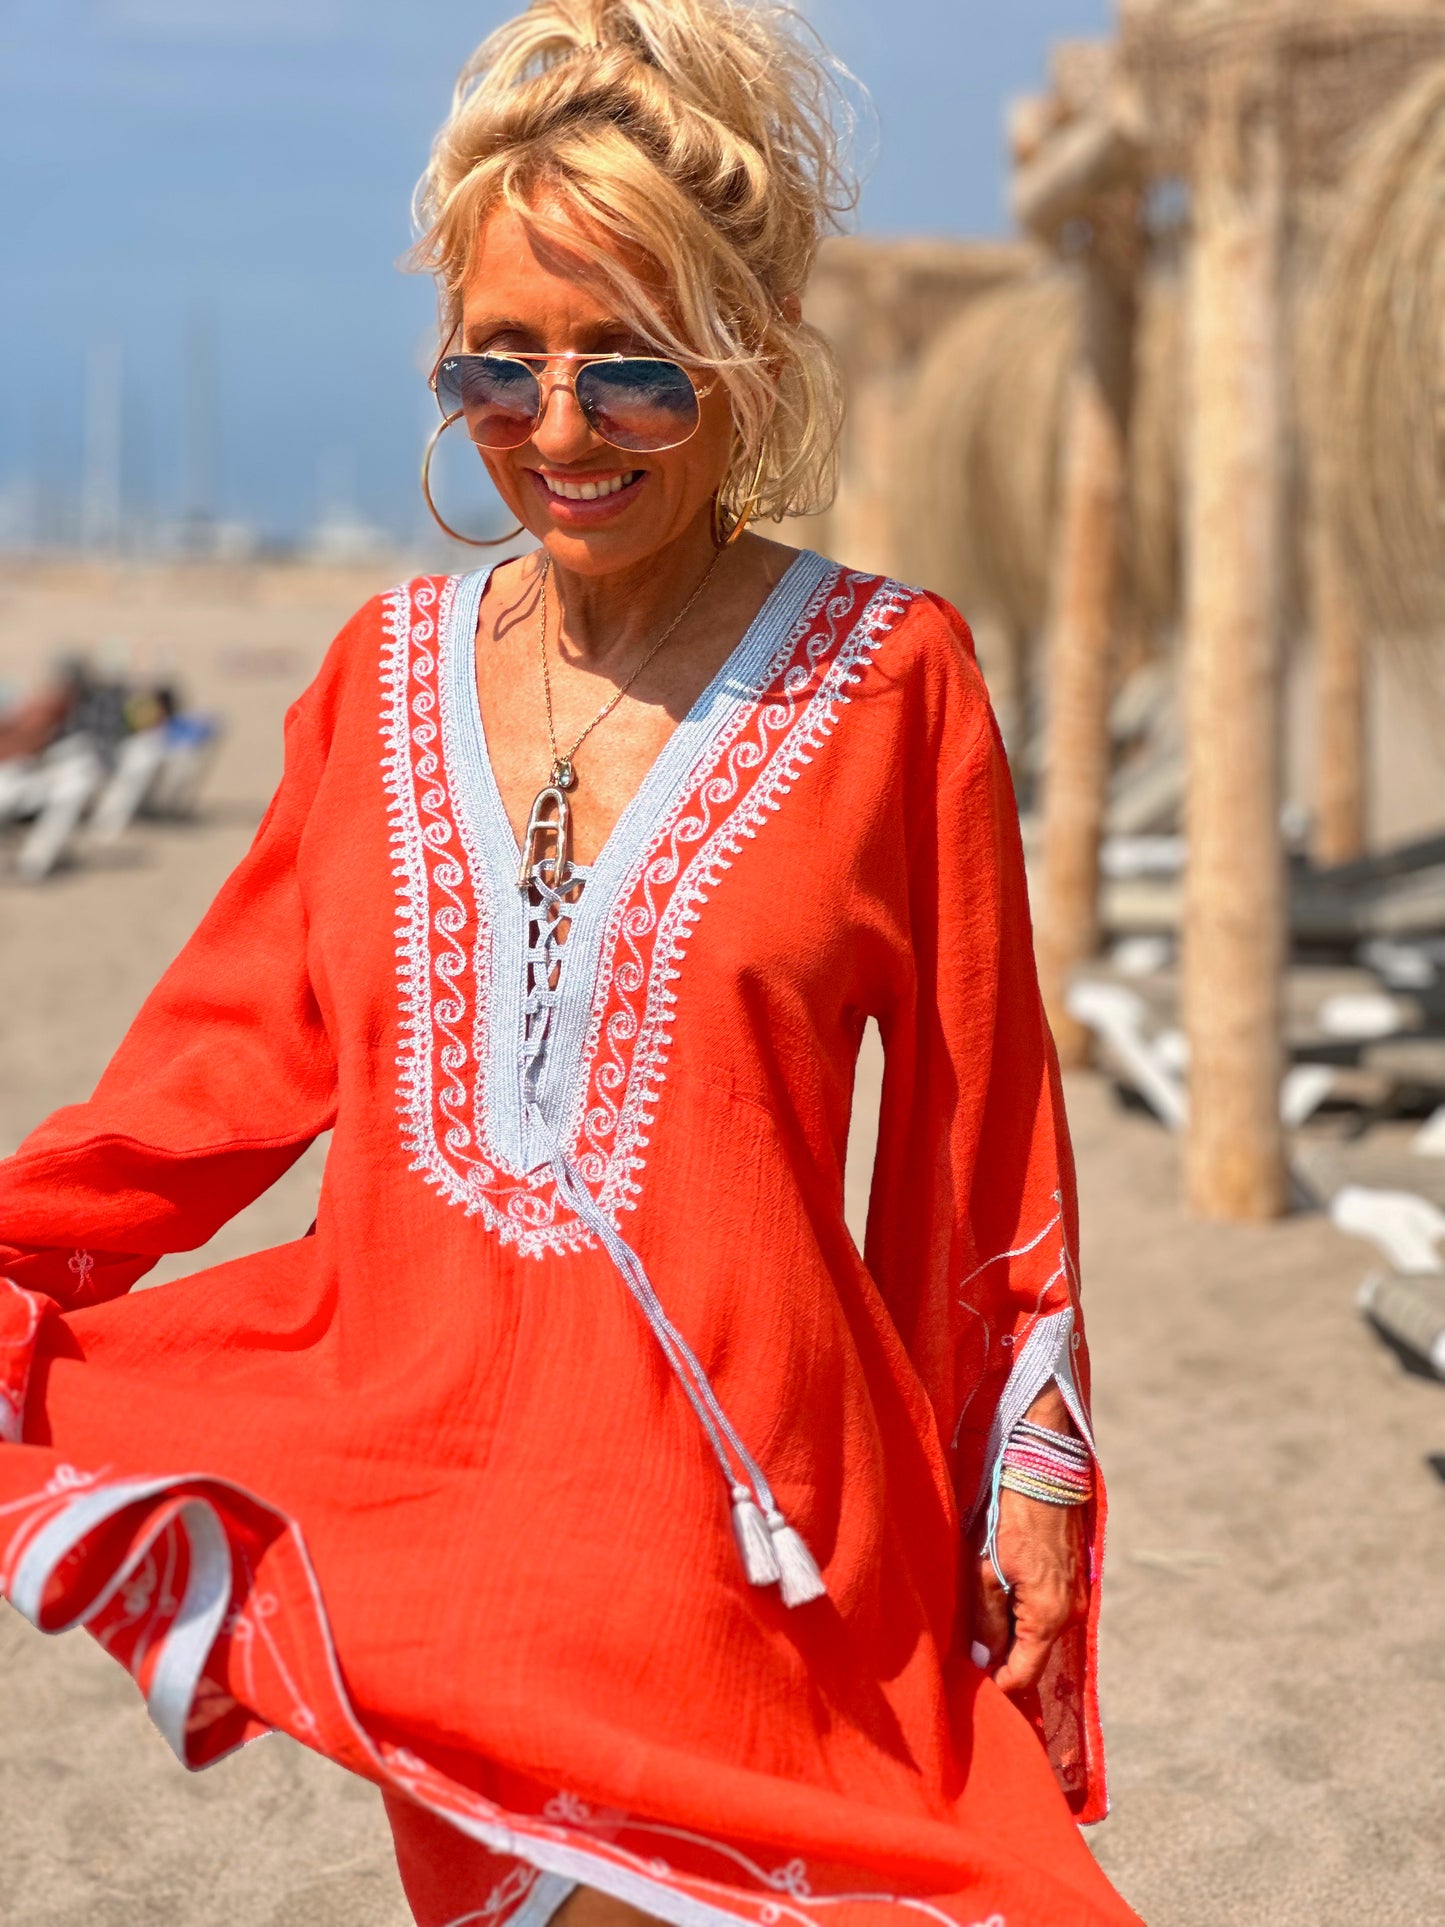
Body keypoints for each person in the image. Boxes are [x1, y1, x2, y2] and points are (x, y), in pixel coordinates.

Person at [0, 5, 1141, 1924]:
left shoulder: (892, 684)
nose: (556, 429)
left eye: (634, 373)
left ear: (746, 363)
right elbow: (200, 1092)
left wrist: (1021, 1469)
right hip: (452, 1538)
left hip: (764, 1555)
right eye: (497, 367)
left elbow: (977, 1136)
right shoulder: (371, 687)